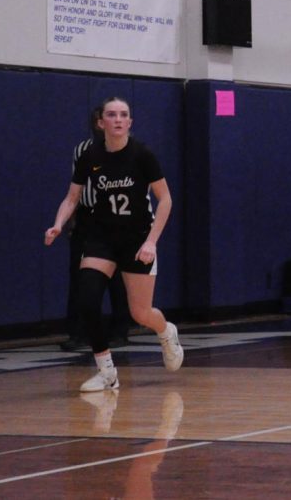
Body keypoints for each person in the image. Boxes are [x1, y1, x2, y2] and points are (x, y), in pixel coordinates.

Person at [45, 97, 184, 392]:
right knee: (87, 298)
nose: (118, 119)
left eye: (124, 115)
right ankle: (106, 370)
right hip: (101, 237)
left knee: (140, 313)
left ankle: (165, 330)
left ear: (130, 123)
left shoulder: (142, 155)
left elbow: (166, 199)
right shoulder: (90, 155)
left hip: (137, 239)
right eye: (112, 114)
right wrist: (58, 223)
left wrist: (151, 242)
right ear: (101, 122)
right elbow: (72, 197)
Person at [62, 106, 131, 352]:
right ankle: (78, 332)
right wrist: (70, 221)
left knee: (117, 279)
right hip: (88, 218)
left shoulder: (131, 151)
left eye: (114, 117)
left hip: (118, 219)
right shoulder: (82, 150)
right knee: (80, 277)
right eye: (100, 119)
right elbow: (75, 191)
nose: (102, 124)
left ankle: (120, 330)